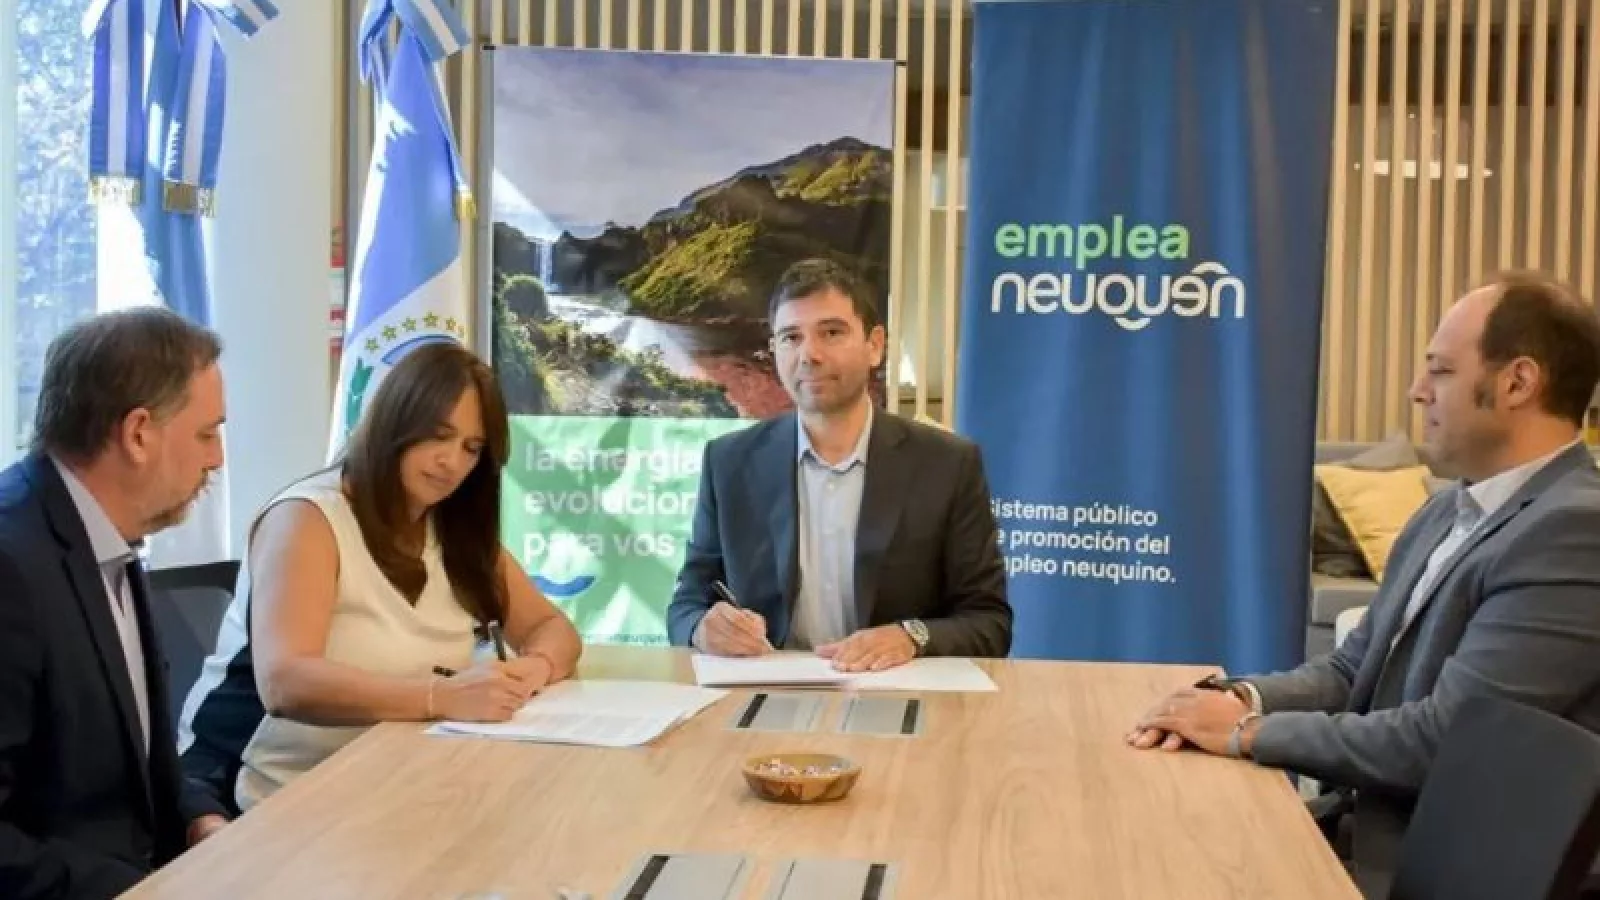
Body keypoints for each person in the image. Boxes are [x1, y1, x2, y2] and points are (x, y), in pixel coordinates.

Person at [1128, 272, 1600, 895]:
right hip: (1359, 826)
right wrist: (1241, 698)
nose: (1416, 391)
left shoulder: (1575, 528)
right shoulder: (1447, 510)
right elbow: (1352, 670)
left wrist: (1246, 733)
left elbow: (1449, 740)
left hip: (1435, 866)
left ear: (1518, 382)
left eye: (1440, 371)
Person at [179, 341, 582, 813]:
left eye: (471, 448)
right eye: (438, 435)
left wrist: (535, 668)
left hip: (395, 782)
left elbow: (552, 629)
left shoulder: (455, 531)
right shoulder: (308, 518)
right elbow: (286, 681)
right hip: (264, 790)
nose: (451, 461)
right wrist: (441, 698)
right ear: (396, 422)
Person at [666, 258, 1012, 670]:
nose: (809, 354)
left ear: (875, 345)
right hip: (767, 688)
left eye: (831, 332)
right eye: (791, 337)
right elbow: (687, 603)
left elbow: (989, 622)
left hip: (896, 688)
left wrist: (911, 637)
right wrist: (701, 628)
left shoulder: (947, 464)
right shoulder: (729, 463)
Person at [0, 307, 232, 899]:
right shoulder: (11, 564)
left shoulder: (107, 537)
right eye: (207, 434)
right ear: (138, 434)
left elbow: (135, 761)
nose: (217, 459)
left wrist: (198, 817)